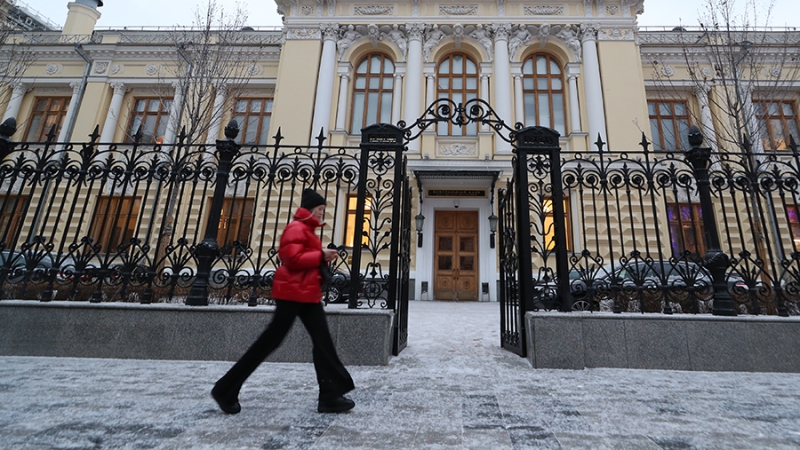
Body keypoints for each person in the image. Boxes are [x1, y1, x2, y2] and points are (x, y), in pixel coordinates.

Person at [211, 188, 355, 414]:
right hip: (292, 293)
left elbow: (304, 255)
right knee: (269, 343)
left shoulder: (307, 230)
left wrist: (322, 253)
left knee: (322, 343)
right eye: (320, 210)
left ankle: (330, 395)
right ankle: (225, 388)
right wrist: (320, 255)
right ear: (310, 210)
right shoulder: (296, 227)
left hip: (306, 293)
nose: (322, 214)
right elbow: (291, 257)